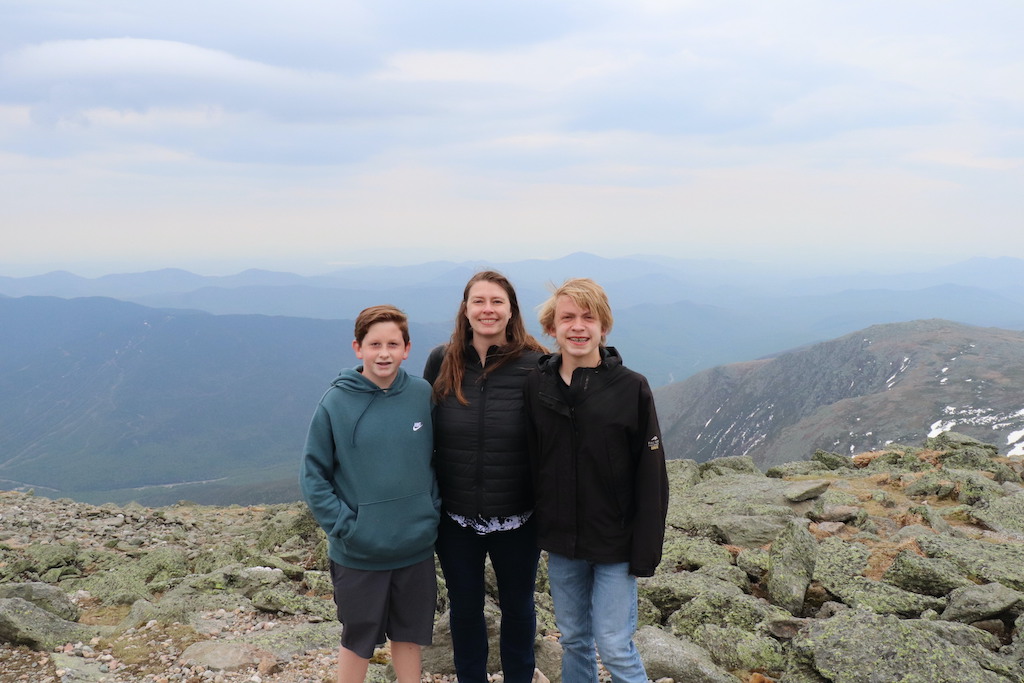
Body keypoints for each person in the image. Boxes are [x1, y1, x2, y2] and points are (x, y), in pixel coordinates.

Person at [524, 278, 669, 683]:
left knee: (614, 646)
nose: (578, 326)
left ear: (603, 327)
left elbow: (651, 475)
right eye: (567, 317)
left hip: (615, 543)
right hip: (561, 541)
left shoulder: (631, 387)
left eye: (589, 317)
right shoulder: (537, 385)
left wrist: (645, 550)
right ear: (551, 328)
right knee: (573, 639)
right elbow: (530, 460)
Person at [300, 305, 440, 683]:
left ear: (407, 349)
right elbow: (313, 475)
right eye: (374, 343)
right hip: (359, 551)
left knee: (411, 634)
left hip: (415, 545)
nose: (383, 353)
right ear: (357, 347)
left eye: (393, 344)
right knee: (358, 637)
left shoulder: (422, 395)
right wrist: (347, 527)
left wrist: (431, 512)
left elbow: (436, 461)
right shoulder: (335, 402)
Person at [423, 270, 547, 683]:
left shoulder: (537, 366)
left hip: (519, 516)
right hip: (455, 517)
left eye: (497, 302)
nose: (487, 309)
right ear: (466, 309)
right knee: (464, 607)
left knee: (518, 607)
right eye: (479, 301)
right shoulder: (442, 361)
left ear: (511, 311)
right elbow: (420, 430)